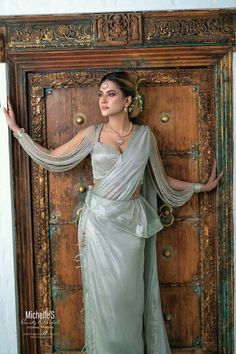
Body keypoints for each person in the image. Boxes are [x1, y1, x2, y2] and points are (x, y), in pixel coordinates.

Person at [3, 72, 222, 354]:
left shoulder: (145, 137)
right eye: (100, 94)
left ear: (128, 100)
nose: (103, 100)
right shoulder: (92, 134)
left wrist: (200, 186)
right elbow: (53, 157)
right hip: (99, 227)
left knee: (130, 302)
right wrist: (16, 130)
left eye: (110, 94)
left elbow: (161, 179)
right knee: (105, 302)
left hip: (131, 226)